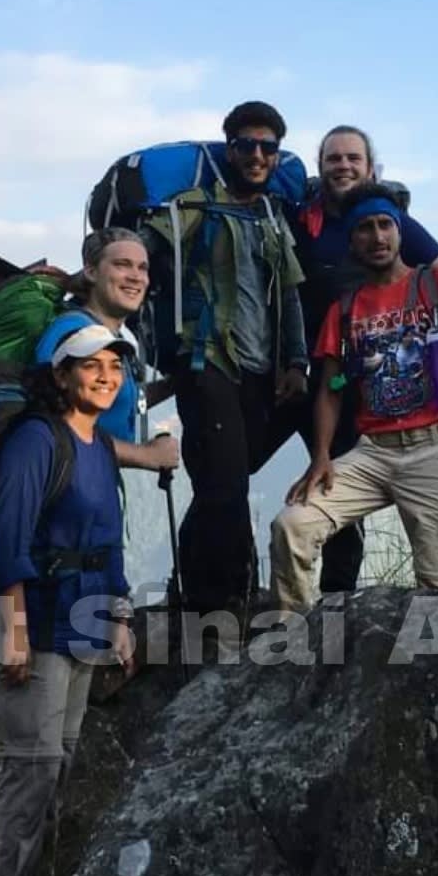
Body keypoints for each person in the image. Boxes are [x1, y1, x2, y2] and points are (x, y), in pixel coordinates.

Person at [269, 183, 438, 612]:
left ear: (399, 232)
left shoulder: (437, 285)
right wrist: (321, 455)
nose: (377, 237)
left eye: (385, 225)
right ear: (351, 240)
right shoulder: (345, 308)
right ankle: (294, 645)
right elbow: (330, 387)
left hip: (437, 448)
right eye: (364, 228)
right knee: (293, 524)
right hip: (372, 451)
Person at [0, 322, 138, 876]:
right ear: (62, 375)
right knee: (30, 770)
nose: (105, 375)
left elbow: (110, 540)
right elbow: (5, 538)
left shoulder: (98, 445)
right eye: (90, 365)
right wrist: (11, 626)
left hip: (86, 623)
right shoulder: (34, 441)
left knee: (60, 764)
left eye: (114, 366)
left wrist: (121, 615)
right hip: (36, 625)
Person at [149, 100, 309, 620]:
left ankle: (196, 585)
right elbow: (143, 244)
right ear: (231, 149)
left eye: (268, 147)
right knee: (227, 483)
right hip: (207, 360)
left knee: (223, 478)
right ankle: (218, 602)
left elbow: (288, 295)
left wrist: (297, 363)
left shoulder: (271, 216)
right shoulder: (195, 206)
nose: (258, 155)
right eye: (247, 145)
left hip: (262, 371)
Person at [34, 227, 179, 471]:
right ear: (91, 271)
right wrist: (144, 455)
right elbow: (52, 426)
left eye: (142, 268)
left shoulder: (114, 336)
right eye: (122, 265)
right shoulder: (72, 333)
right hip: (65, 495)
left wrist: (173, 385)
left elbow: (117, 398)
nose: (136, 277)